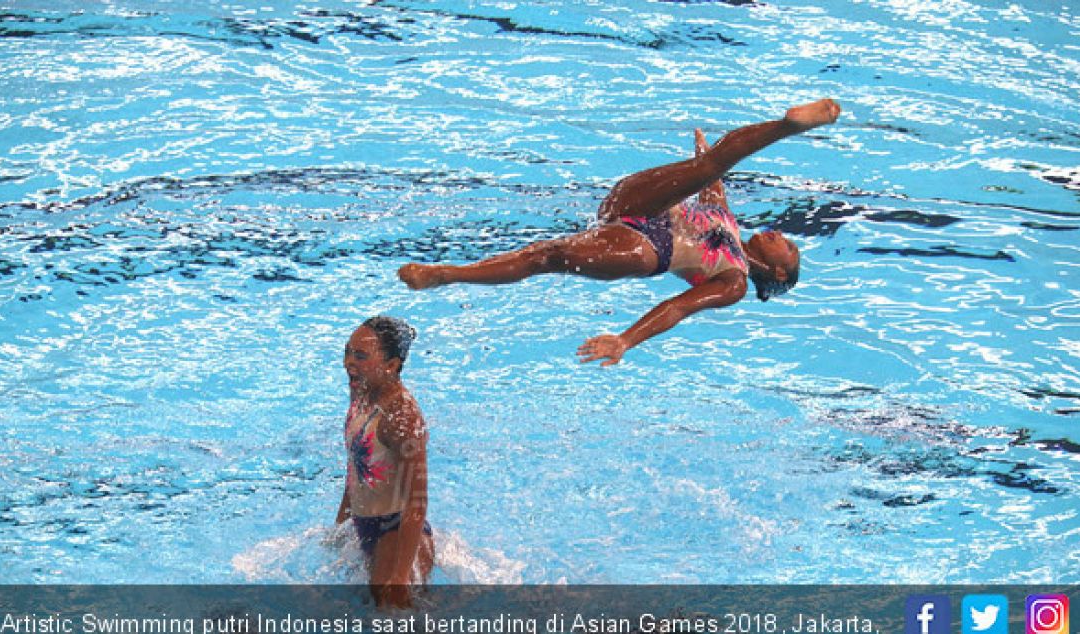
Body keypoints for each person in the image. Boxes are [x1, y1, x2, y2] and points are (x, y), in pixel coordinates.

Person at [398, 99, 841, 366]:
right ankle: (788, 125)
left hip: (647, 247)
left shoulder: (735, 282)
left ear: (780, 274)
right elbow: (712, 181)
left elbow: (677, 307)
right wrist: (702, 155)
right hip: (641, 206)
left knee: (544, 256)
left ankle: (446, 273)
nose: (781, 232)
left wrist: (626, 339)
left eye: (789, 246)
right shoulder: (727, 223)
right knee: (709, 166)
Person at [335, 315, 433, 609]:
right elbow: (356, 466)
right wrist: (340, 525)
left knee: (392, 611)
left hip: (396, 530)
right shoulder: (362, 391)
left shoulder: (402, 416)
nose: (349, 362)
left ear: (391, 366)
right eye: (348, 351)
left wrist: (401, 576)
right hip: (364, 524)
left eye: (361, 356)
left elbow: (416, 500)